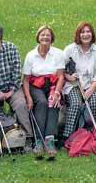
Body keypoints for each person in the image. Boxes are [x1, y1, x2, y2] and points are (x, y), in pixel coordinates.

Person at [0, 21, 33, 152]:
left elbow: (17, 70)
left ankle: (28, 138)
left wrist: (11, 90)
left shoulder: (11, 48)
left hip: (12, 87)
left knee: (20, 104)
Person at [23, 25, 65, 159]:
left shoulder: (58, 53)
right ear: (38, 37)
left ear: (52, 38)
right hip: (35, 85)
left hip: (53, 85)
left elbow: (61, 76)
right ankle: (39, 140)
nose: (45, 37)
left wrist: (57, 93)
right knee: (41, 102)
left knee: (53, 103)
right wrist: (29, 97)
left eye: (48, 35)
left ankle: (50, 140)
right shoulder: (31, 55)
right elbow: (25, 79)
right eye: (42, 35)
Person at [62, 21, 96, 139]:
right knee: (75, 103)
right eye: (82, 32)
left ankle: (91, 135)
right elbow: (60, 70)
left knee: (95, 103)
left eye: (88, 32)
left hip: (91, 85)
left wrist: (90, 90)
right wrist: (68, 76)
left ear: (92, 34)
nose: (85, 34)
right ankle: (68, 136)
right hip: (73, 85)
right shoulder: (70, 49)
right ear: (78, 34)